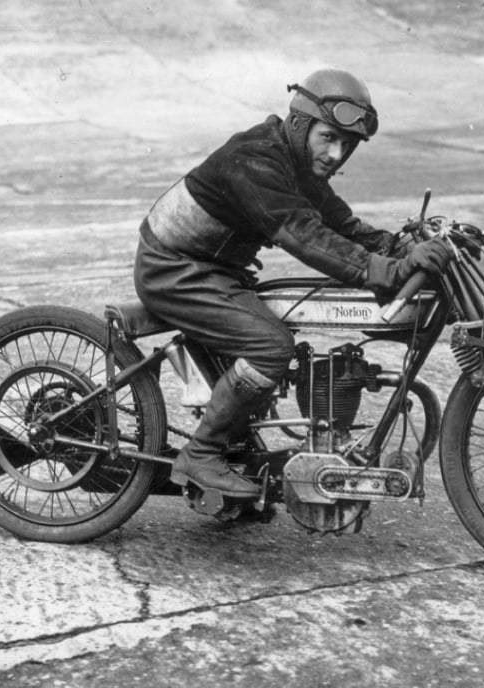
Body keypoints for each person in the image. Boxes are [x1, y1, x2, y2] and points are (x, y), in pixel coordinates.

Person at [133, 68, 453, 499]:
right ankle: (202, 454)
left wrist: (401, 246)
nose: (336, 154)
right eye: (329, 138)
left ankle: (236, 451)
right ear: (300, 124)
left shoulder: (296, 165)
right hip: (174, 269)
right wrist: (388, 271)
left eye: (348, 145)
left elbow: (343, 227)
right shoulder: (257, 161)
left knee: (281, 328)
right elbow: (304, 235)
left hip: (215, 269)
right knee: (271, 347)